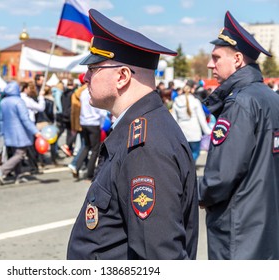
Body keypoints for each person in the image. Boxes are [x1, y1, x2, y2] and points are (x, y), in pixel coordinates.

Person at [67, 9, 199, 260]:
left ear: (122, 76)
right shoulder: (140, 130)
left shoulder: (145, 146)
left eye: (93, 69)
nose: (85, 77)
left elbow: (159, 257)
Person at [198, 11, 279, 260]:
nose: (211, 65)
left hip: (239, 230)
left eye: (216, 58)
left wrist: (195, 194)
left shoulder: (240, 103)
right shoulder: (270, 97)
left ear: (237, 59)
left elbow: (221, 176)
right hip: (264, 224)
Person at [0, 81, 41, 184]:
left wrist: (2, 133)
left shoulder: (3, 102)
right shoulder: (19, 102)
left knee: (15, 154)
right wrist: (35, 132)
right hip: (20, 133)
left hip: (8, 132)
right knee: (20, 154)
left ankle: (18, 176)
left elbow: (1, 119)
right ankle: (2, 170)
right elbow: (25, 119)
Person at [171, 84, 212, 162]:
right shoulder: (195, 101)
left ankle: (185, 167)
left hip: (182, 131)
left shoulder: (176, 101)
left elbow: (174, 118)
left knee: (184, 154)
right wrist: (207, 131)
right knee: (195, 152)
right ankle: (190, 166)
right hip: (194, 131)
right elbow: (201, 118)